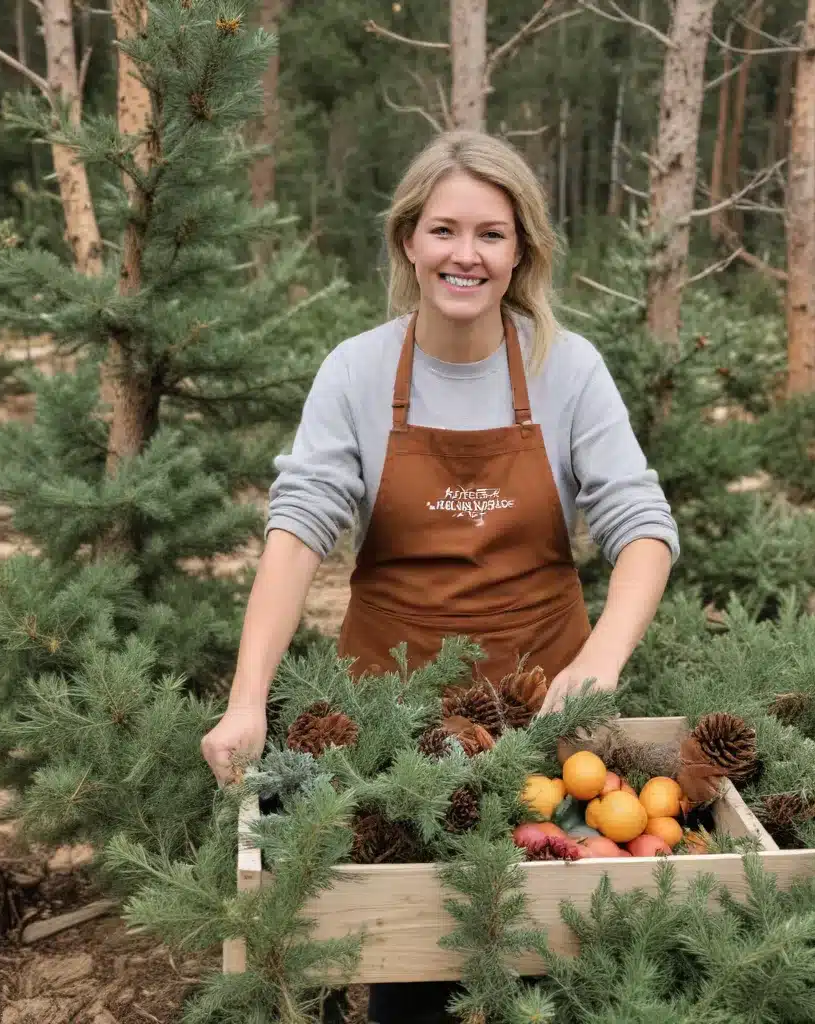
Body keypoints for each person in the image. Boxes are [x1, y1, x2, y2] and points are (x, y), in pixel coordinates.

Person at [201, 129, 679, 1022]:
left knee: (555, 957)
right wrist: (245, 698)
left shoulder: (567, 369)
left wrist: (603, 662)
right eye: (444, 230)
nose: (467, 254)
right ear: (407, 242)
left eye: (492, 234)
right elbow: (297, 531)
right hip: (396, 732)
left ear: (521, 250)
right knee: (409, 964)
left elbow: (643, 527)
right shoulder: (356, 370)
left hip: (547, 727)